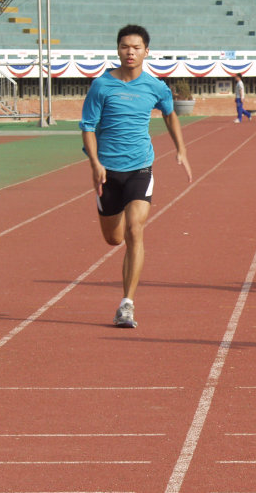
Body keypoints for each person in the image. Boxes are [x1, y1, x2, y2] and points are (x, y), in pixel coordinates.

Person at [80, 24, 192, 328]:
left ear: (146, 51)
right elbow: (88, 126)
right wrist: (94, 163)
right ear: (118, 49)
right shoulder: (101, 86)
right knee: (113, 238)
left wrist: (180, 149)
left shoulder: (155, 87)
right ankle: (125, 294)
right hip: (107, 172)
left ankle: (126, 304)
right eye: (125, 46)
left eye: (136, 47)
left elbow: (169, 113)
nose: (131, 52)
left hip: (140, 168)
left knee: (134, 231)